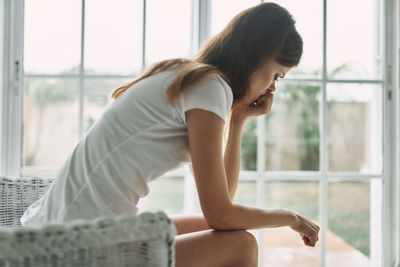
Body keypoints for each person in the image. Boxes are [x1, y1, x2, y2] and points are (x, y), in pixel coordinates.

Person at [21, 2, 319, 266]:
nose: (272, 88)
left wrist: (238, 119)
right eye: (277, 74)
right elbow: (222, 214)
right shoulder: (209, 87)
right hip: (79, 248)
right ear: (258, 55)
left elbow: (222, 203)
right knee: (241, 245)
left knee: (223, 230)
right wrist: (288, 217)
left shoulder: (188, 77)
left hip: (65, 232)